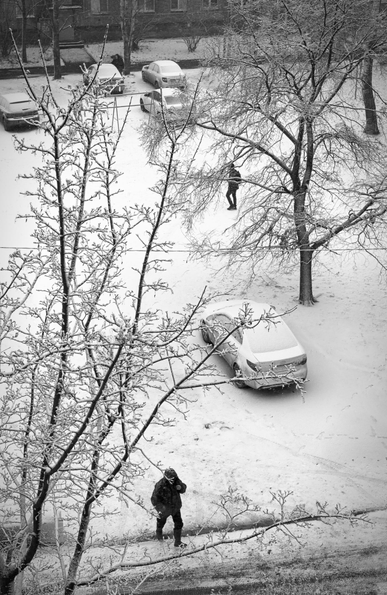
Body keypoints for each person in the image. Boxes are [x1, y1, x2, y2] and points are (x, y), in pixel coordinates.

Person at [151, 467, 187, 548]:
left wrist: (181, 487)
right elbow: (154, 499)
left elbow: (183, 488)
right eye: (171, 478)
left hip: (175, 507)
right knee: (161, 522)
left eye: (174, 477)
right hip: (165, 509)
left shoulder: (176, 480)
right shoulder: (160, 485)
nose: (173, 479)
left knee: (179, 523)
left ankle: (177, 542)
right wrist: (161, 509)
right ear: (166, 477)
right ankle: (159, 536)